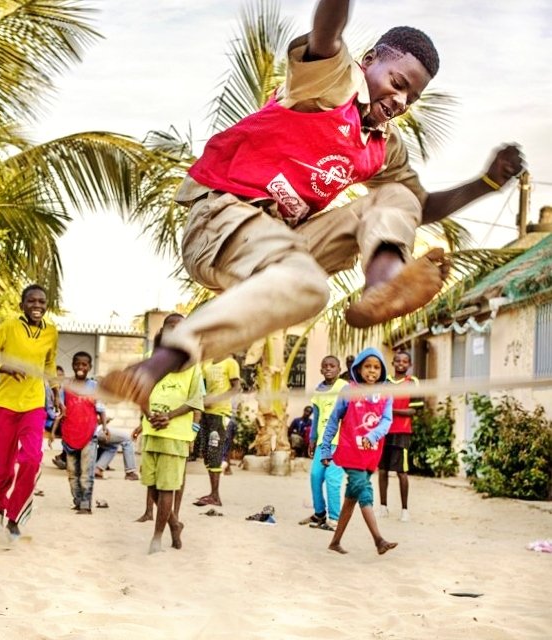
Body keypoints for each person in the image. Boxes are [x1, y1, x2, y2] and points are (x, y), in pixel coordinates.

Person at [100, 0, 525, 409]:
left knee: (395, 198)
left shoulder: (383, 146)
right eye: (397, 84)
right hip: (221, 218)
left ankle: (382, 284)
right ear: (371, 58)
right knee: (310, 286)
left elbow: (419, 206)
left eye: (410, 99)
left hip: (282, 241)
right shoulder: (332, 81)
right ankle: (157, 365)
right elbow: (328, 30)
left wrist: (486, 183)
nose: (399, 102)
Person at [0, 284, 59, 539]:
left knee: (33, 459)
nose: (37, 306)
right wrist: (4, 368)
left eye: (42, 302)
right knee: (4, 467)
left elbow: (50, 364)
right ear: (22, 305)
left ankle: (15, 515)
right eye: (32, 301)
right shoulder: (9, 327)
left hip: (34, 404)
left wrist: (56, 392)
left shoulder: (52, 332)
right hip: (5, 405)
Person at [132, 314, 205, 554]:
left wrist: (170, 415)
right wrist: (148, 413)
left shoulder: (193, 366)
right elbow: (138, 392)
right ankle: (175, 523)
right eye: (170, 328)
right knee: (151, 485)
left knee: (167, 488)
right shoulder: (148, 360)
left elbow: (195, 400)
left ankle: (157, 537)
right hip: (152, 431)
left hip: (175, 434)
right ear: (162, 333)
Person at [319, 348, 396, 555]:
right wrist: (326, 449)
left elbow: (387, 421)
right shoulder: (348, 391)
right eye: (368, 366)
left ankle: (335, 542)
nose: (372, 371)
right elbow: (334, 420)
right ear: (359, 369)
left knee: (352, 496)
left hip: (371, 453)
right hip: (350, 450)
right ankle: (379, 540)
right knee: (364, 490)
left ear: (382, 370)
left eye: (376, 367)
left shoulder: (385, 394)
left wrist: (373, 436)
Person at [299, 355, 349, 530]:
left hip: (339, 442)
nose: (328, 368)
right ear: (321, 370)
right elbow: (317, 416)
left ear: (339, 369)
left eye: (332, 366)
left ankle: (334, 519)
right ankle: (319, 514)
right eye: (325, 366)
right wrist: (312, 439)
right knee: (315, 476)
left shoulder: (345, 387)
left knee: (332, 479)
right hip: (322, 442)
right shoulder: (319, 390)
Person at [60, 352, 107, 514]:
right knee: (72, 472)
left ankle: (86, 505)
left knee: (87, 472)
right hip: (70, 434)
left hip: (89, 435)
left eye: (84, 365)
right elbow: (61, 408)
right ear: (72, 365)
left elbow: (100, 408)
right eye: (77, 364)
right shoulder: (66, 386)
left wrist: (105, 426)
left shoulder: (94, 386)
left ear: (89, 367)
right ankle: (78, 501)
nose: (80, 367)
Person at [379, 350, 423, 522]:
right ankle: (383, 506)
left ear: (409, 365)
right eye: (397, 361)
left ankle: (405, 510)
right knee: (382, 470)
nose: (401, 364)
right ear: (393, 363)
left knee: (401, 471)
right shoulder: (385, 383)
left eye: (405, 362)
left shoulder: (412, 382)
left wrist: (392, 411)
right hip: (384, 431)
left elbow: (413, 410)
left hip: (402, 432)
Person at [193, 356, 241, 507]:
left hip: (220, 413)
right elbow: (202, 387)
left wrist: (217, 398)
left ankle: (215, 496)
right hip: (206, 413)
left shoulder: (230, 363)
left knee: (214, 452)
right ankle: (212, 493)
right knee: (206, 454)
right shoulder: (205, 363)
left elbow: (236, 388)